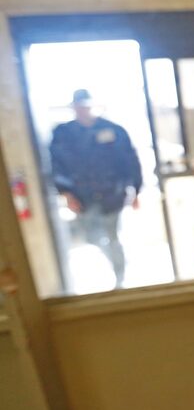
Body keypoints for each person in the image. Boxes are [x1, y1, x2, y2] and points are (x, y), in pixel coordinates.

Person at [49, 89, 142, 289]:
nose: (82, 109)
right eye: (78, 106)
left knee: (113, 236)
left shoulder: (112, 129)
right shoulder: (63, 134)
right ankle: (115, 264)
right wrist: (66, 193)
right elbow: (57, 165)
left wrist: (136, 188)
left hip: (112, 194)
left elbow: (129, 160)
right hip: (84, 196)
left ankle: (120, 278)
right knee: (92, 237)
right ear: (73, 108)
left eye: (85, 105)